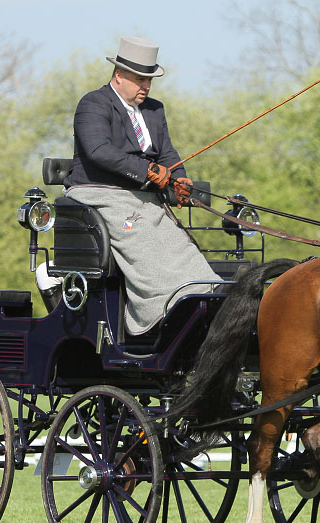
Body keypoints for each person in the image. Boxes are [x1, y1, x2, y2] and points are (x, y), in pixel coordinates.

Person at [63, 36, 220, 336]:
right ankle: (157, 312)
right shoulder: (93, 103)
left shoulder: (154, 110)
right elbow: (99, 151)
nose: (146, 87)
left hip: (143, 196)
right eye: (139, 79)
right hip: (99, 193)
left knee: (177, 242)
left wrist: (179, 179)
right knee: (144, 238)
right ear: (119, 76)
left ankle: (205, 292)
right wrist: (147, 170)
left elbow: (167, 155)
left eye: (149, 80)